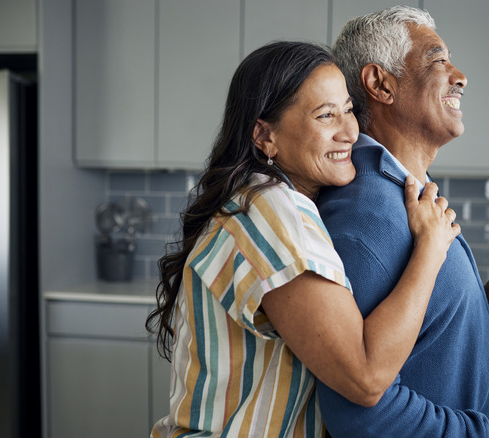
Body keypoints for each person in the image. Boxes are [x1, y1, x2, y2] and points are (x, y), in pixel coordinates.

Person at [146, 41, 460, 437]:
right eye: (325, 115)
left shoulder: (270, 201)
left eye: (348, 109)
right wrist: (430, 249)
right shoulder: (271, 213)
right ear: (265, 136)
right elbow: (365, 376)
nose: (349, 131)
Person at [315, 6, 489, 438]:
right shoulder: (368, 215)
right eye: (438, 60)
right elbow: (361, 415)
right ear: (381, 84)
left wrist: (475, 306)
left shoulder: (404, 191)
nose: (460, 76)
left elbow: (405, 330)